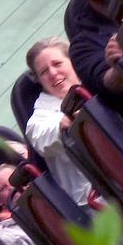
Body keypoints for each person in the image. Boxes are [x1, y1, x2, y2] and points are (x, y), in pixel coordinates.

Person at [24, 38, 94, 205]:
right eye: (44, 72)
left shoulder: (95, 81)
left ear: (72, 61)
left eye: (57, 64)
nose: (53, 73)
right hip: (95, 200)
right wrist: (63, 126)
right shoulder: (39, 120)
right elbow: (44, 139)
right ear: (39, 80)